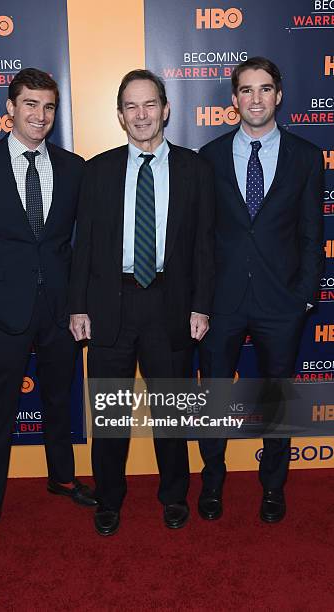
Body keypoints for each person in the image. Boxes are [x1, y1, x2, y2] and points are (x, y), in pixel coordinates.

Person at [0, 67, 97, 552]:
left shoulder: (74, 167)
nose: (40, 115)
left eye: (48, 107)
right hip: (0, 313)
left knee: (58, 402)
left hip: (58, 313)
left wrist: (79, 305)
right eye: (30, 104)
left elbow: (84, 246)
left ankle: (62, 479)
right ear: (10, 108)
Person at [68, 69, 215, 536]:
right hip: (111, 304)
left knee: (171, 411)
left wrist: (202, 306)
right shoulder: (99, 169)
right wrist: (78, 307)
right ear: (119, 115)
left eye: (149, 104)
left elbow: (204, 247)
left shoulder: (195, 168)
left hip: (171, 303)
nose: (141, 114)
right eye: (131, 106)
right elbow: (83, 246)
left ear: (166, 109)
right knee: (111, 412)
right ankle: (108, 497)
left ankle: (174, 495)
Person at [197, 57, 324, 523]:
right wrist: (199, 300)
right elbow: (200, 237)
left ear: (279, 96)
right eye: (246, 91)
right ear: (233, 100)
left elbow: (313, 234)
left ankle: (273, 486)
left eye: (265, 89)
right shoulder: (207, 158)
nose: (256, 98)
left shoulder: (307, 157)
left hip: (281, 304)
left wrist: (305, 296)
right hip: (220, 303)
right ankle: (212, 483)